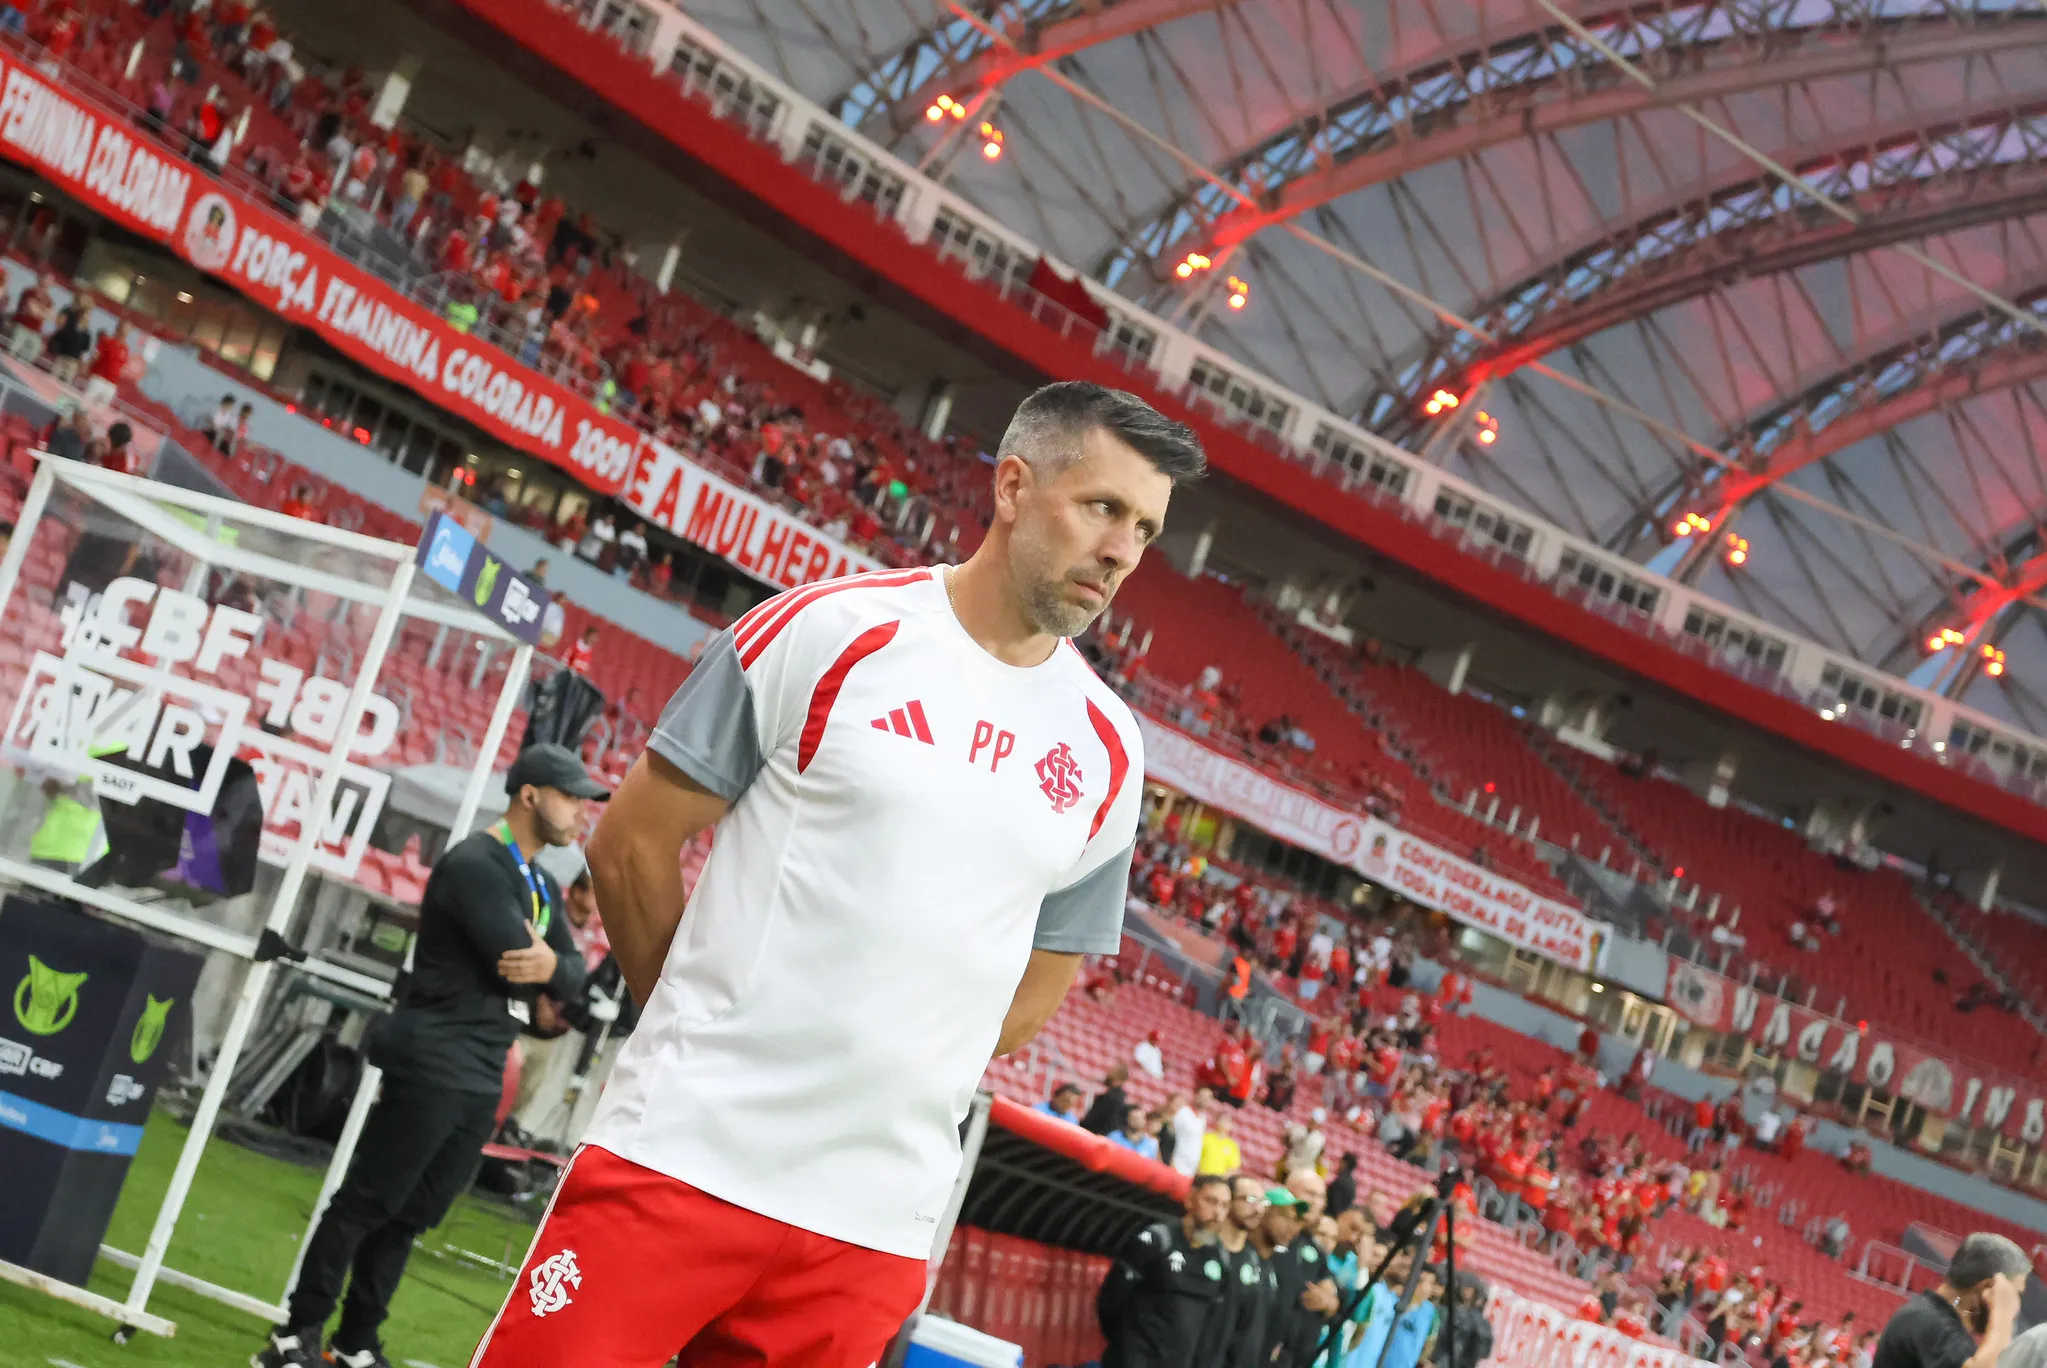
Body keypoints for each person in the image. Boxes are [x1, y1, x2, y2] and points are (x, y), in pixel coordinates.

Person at [478, 382, 1201, 1366]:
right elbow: (631, 841)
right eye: (1103, 509)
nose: (1121, 550)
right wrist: (690, 1026)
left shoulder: (1109, 751)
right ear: (1014, 487)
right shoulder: (828, 633)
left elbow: (1037, 987)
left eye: (1145, 530)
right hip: (685, 1160)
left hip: (869, 1228)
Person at [255, 745, 605, 1368]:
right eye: (572, 797)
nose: (582, 813)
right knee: (369, 1199)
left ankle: (355, 1341)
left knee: (414, 1212)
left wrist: (556, 968)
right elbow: (511, 958)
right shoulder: (476, 864)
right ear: (530, 796)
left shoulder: (540, 883)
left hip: (481, 1065)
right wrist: (555, 975)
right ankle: (293, 1335)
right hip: (436, 1053)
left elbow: (575, 976)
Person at [1099, 1174, 1231, 1368]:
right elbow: (1111, 1299)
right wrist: (1127, 1346)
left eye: (1225, 1206)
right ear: (1190, 1200)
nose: (1218, 1213)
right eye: (1211, 1201)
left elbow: (1212, 1324)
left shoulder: (1221, 1259)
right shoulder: (1156, 1241)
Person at [1871, 1232, 2029, 1368]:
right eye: (2013, 1294)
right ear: (1988, 1287)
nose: (2015, 1304)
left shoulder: (1931, 1318)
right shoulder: (1931, 1322)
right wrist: (2003, 1316)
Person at [1202, 1175, 1277, 1368]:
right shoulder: (1202, 1249)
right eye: (1250, 1200)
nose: (1258, 1209)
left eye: (1263, 1202)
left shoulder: (1256, 1265)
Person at [1266, 1177, 1341, 1368]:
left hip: (1294, 1357)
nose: (1316, 1202)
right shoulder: (1270, 1235)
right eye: (1311, 1194)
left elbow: (1331, 1297)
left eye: (1321, 1197)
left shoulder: (1314, 1249)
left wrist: (1329, 1302)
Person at [1083, 1062, 1134, 1135]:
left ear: (1118, 1077)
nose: (1108, 1073)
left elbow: (1091, 1121)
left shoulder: (1109, 1098)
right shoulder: (1119, 1097)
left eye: (1111, 1071)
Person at [1171, 1088, 1209, 1178]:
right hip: (1178, 1160)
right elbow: (1173, 1135)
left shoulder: (1203, 1118)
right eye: (1203, 1096)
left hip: (1192, 1166)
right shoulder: (1183, 1112)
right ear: (1195, 1095)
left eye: (1208, 1098)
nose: (1205, 1100)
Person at [1199, 1108, 1243, 1176]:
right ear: (1216, 1121)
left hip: (1218, 1182)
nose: (1225, 1123)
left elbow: (1233, 1167)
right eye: (1223, 1119)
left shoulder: (1232, 1145)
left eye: (1228, 1121)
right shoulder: (1205, 1137)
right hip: (1201, 1177)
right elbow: (1195, 1156)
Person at [1326, 1152, 1359, 1218]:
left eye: (1340, 1163)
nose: (1338, 1165)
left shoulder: (1340, 1182)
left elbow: (1334, 1205)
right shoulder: (1352, 1184)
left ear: (1344, 1164)